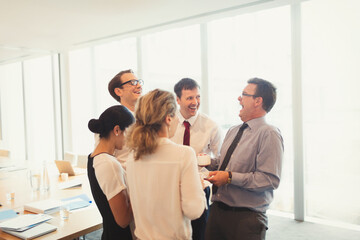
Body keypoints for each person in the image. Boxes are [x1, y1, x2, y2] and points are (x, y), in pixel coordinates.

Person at [205, 78, 284, 240]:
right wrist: (208, 162)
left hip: (245, 218)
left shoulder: (269, 133)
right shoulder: (233, 131)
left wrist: (229, 178)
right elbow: (223, 164)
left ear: (258, 101)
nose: (239, 99)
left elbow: (269, 180)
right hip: (217, 211)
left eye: (244, 94)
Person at [126, 89, 206, 240]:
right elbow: (194, 210)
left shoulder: (133, 157)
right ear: (168, 118)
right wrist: (199, 188)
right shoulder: (184, 154)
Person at [170, 78, 222, 240]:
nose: (195, 102)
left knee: (199, 232)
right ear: (178, 100)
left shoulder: (211, 125)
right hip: (171, 184)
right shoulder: (167, 122)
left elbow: (220, 159)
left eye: (198, 97)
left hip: (199, 186)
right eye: (189, 98)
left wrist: (207, 163)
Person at [87, 105, 135, 240]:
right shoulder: (109, 164)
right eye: (129, 133)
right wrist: (140, 190)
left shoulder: (93, 157)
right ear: (117, 130)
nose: (130, 140)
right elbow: (123, 219)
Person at [99, 69, 143, 168]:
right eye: (133, 83)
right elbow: (102, 158)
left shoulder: (148, 118)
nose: (139, 86)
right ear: (118, 91)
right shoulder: (109, 120)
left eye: (139, 82)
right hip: (125, 178)